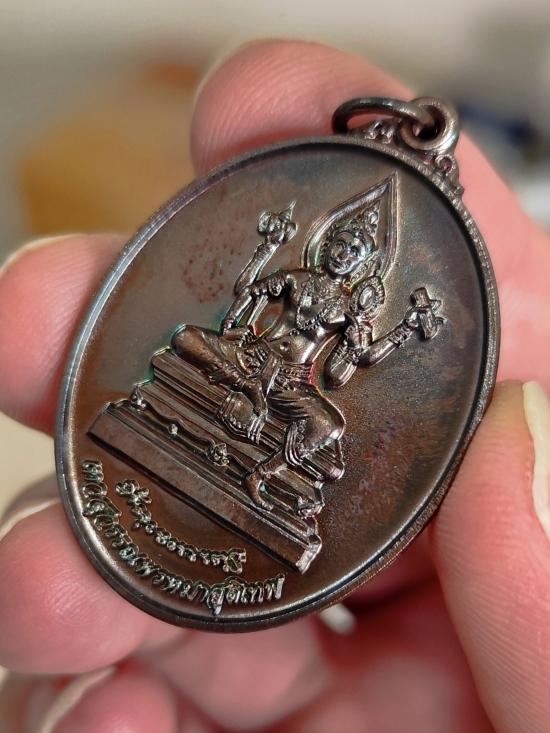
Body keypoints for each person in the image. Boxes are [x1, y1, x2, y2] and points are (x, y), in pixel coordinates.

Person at [0, 40, 549, 732]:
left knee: (329, 430)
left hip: (291, 386)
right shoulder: (295, 278)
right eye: (340, 243)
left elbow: (344, 373)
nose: (344, 253)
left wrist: (399, 334)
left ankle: (267, 466)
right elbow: (235, 314)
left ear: (365, 264)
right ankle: (247, 437)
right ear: (328, 244)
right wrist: (263, 255)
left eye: (357, 251)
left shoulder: (350, 307)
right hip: (247, 361)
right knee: (185, 344)